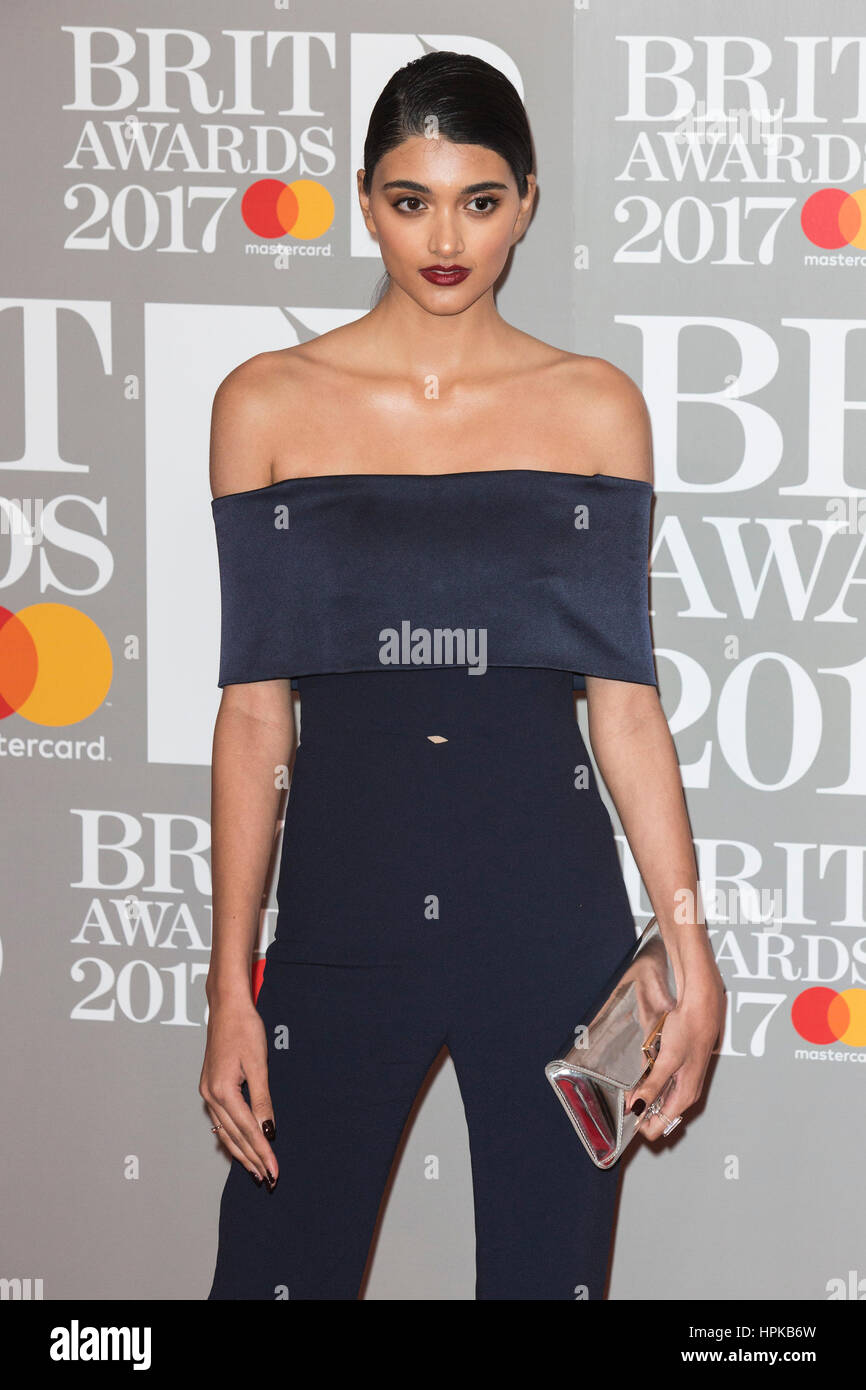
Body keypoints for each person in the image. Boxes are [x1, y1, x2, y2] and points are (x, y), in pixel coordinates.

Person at [201, 50, 725, 1301]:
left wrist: (690, 948)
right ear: (366, 200)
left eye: (479, 201)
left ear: (527, 202)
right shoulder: (264, 402)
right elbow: (253, 714)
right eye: (409, 198)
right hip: (336, 930)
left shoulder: (592, 406)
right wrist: (230, 978)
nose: (444, 237)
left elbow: (626, 709)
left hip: (551, 934)